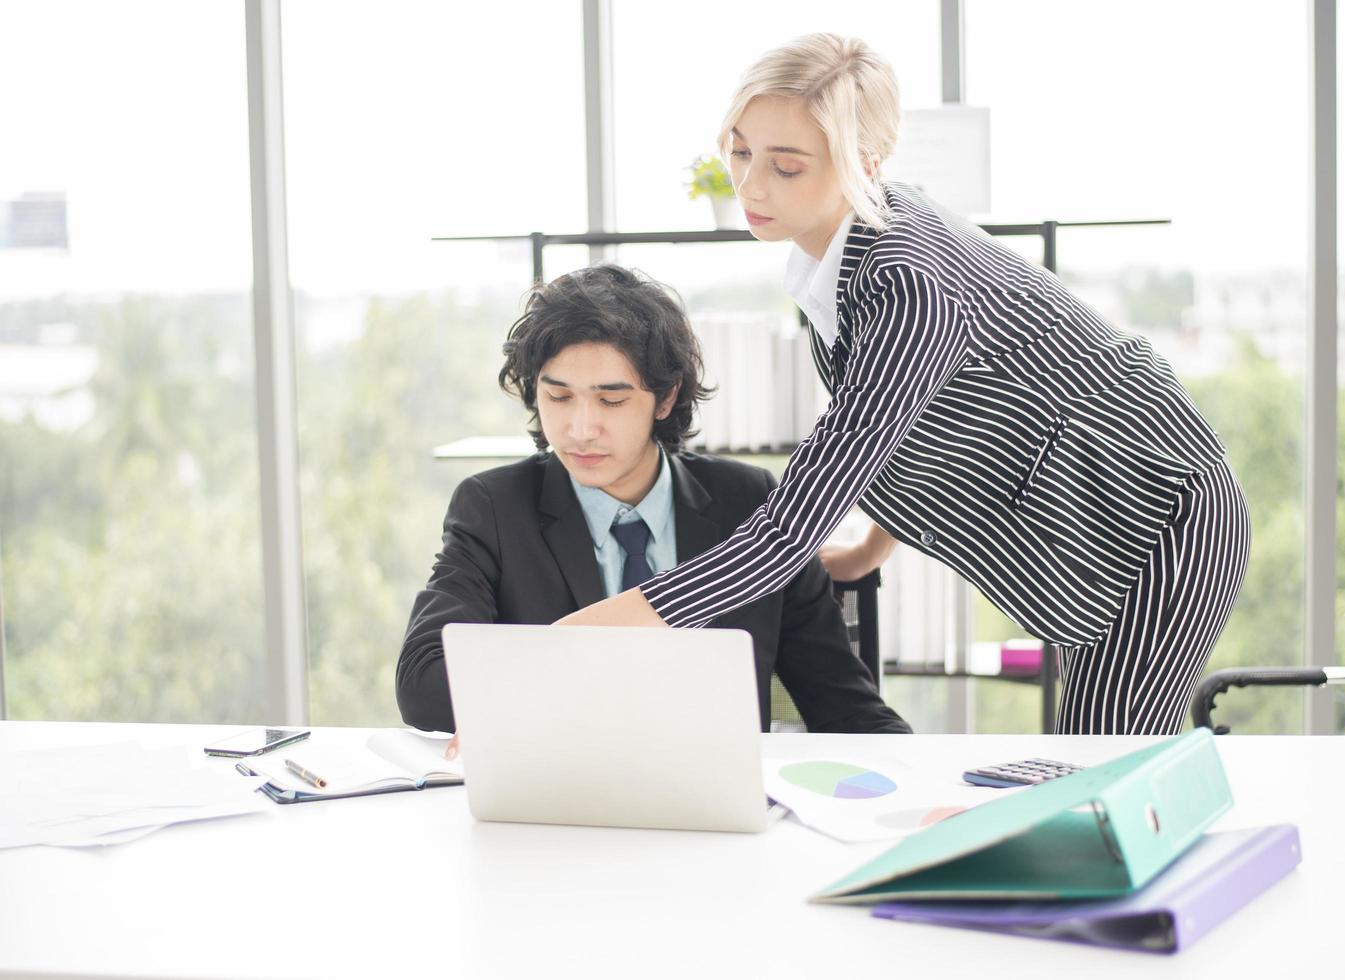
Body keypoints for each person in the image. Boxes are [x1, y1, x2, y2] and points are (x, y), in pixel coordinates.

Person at [558, 34, 1251, 737]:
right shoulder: (837, 253)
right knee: (1098, 770)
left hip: (1158, 515)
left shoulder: (904, 285)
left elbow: (787, 532)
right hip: (1089, 524)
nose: (752, 186)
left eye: (787, 166)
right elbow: (909, 422)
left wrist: (589, 635)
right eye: (740, 152)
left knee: (1103, 770)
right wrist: (868, 550)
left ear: (864, 162)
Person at [395, 263, 909, 738]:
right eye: (558, 397)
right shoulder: (495, 508)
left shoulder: (752, 507)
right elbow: (425, 688)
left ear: (665, 398)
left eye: (612, 400)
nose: (579, 428)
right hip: (563, 801)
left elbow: (846, 708)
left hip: (715, 805)